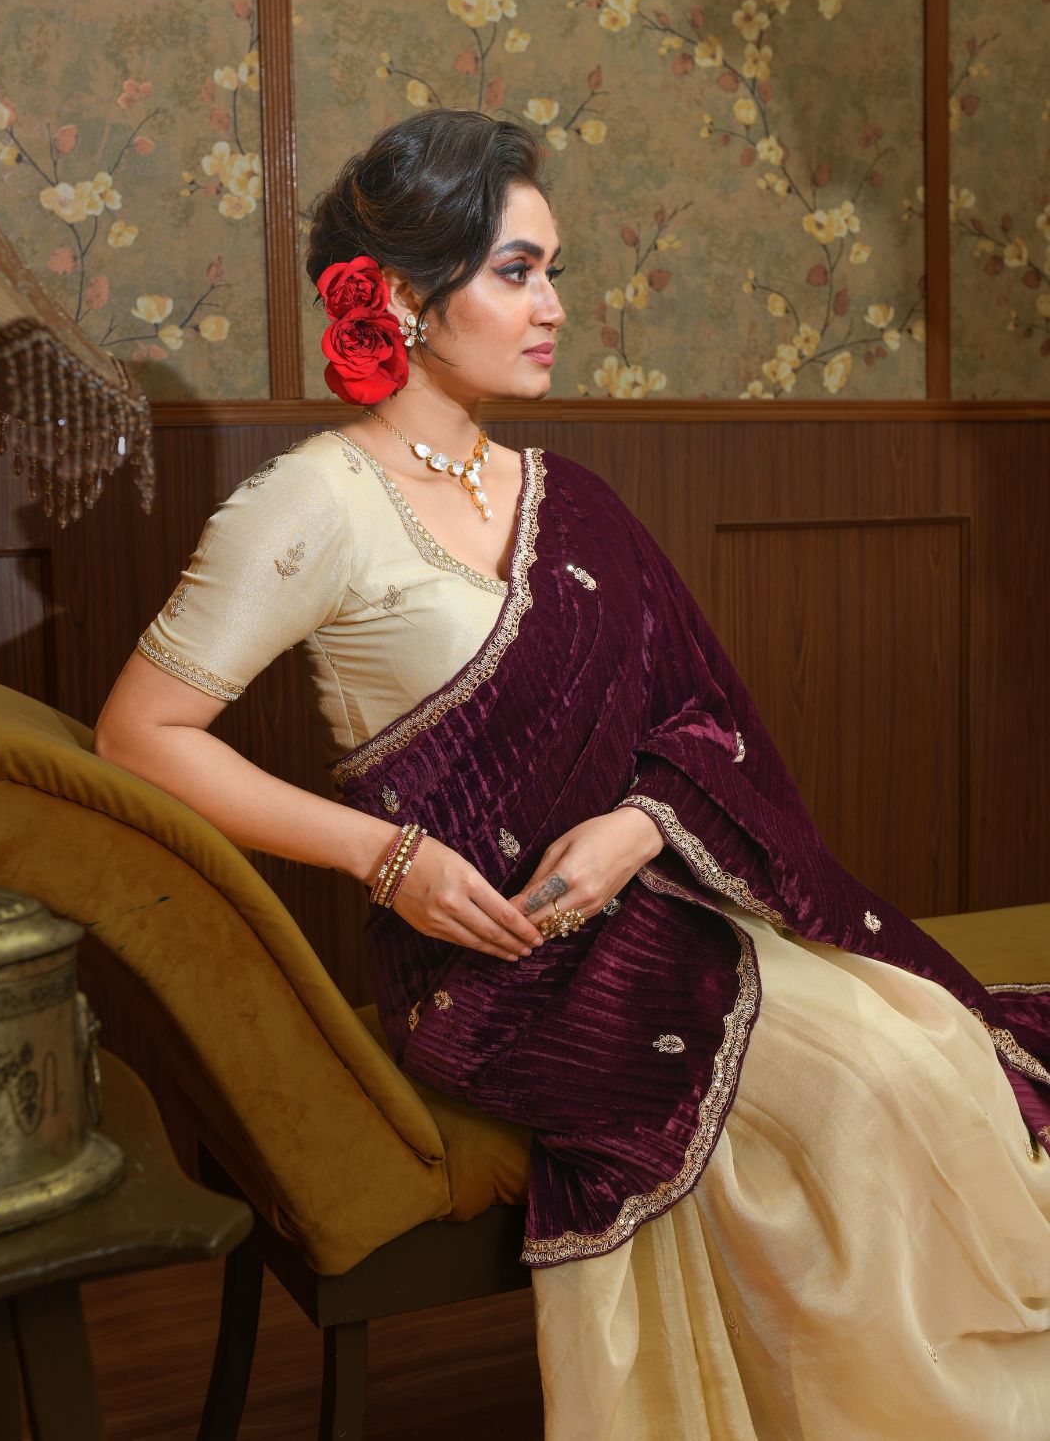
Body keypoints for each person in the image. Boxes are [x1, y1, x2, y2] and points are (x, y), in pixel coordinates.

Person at [94, 108, 1050, 1439]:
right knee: (872, 1087)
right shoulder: (311, 504)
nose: (554, 306)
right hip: (492, 967)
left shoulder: (568, 496)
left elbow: (702, 720)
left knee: (937, 1042)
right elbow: (139, 735)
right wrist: (387, 857)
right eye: (517, 272)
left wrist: (643, 828)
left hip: (659, 909)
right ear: (408, 298)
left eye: (554, 271)